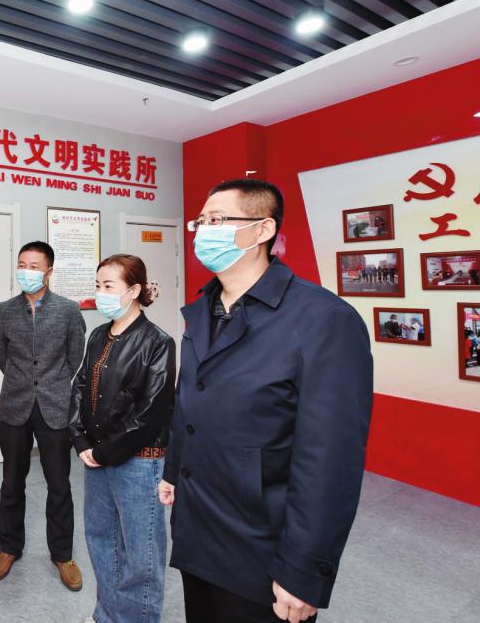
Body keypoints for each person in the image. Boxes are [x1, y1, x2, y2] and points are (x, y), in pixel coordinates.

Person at [159, 179, 373, 623]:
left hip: (261, 542)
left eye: (217, 220)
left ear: (262, 229)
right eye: (201, 221)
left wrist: (304, 571)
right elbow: (189, 402)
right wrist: (174, 470)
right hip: (198, 527)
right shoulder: (204, 309)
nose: (203, 231)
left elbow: (330, 461)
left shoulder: (323, 319)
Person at [69, 254, 175, 623]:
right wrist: (81, 442)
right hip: (96, 457)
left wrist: (104, 452)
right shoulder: (99, 335)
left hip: (138, 461)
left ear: (133, 291)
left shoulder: (157, 342)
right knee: (102, 541)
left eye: (108, 286)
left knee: (141, 554)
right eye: (98, 285)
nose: (100, 292)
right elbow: (80, 386)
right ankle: (107, 615)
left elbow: (151, 411)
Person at [0, 241, 86, 591]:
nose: (26, 271)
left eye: (34, 266)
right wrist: (23, 381)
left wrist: (51, 383)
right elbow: (2, 355)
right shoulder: (4, 310)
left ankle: (62, 554)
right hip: (14, 405)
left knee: (59, 484)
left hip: (55, 406)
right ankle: (8, 547)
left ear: (48, 271)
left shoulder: (68, 310)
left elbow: (75, 356)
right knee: (11, 481)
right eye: (21, 264)